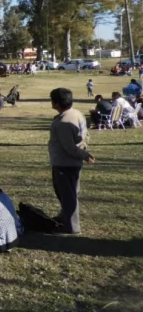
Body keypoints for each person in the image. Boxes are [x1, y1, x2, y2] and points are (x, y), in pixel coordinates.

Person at [48, 87, 94, 234]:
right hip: (73, 163)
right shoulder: (77, 114)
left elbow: (68, 147)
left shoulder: (63, 122)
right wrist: (84, 151)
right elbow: (86, 136)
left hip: (64, 163)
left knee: (67, 195)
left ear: (55, 103)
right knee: (71, 193)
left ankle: (71, 226)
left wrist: (84, 155)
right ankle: (64, 217)